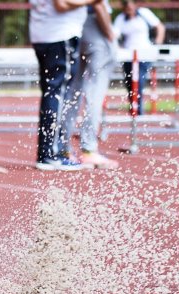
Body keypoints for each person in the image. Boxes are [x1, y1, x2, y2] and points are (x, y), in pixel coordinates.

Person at [29, 0, 101, 171]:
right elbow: (61, 4)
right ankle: (51, 154)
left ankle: (48, 152)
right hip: (59, 35)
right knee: (57, 93)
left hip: (45, 35)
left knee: (52, 92)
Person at [61, 0, 120, 168]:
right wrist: (109, 33)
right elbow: (98, 4)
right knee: (95, 92)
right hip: (95, 27)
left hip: (75, 26)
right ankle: (88, 150)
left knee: (74, 90)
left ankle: (63, 147)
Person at [113, 0, 164, 115]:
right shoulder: (121, 19)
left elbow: (160, 27)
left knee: (138, 79)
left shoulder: (144, 13)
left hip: (144, 54)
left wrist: (157, 44)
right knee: (129, 82)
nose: (129, 7)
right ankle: (134, 107)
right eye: (126, 5)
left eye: (131, 4)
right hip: (128, 56)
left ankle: (138, 110)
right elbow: (114, 35)